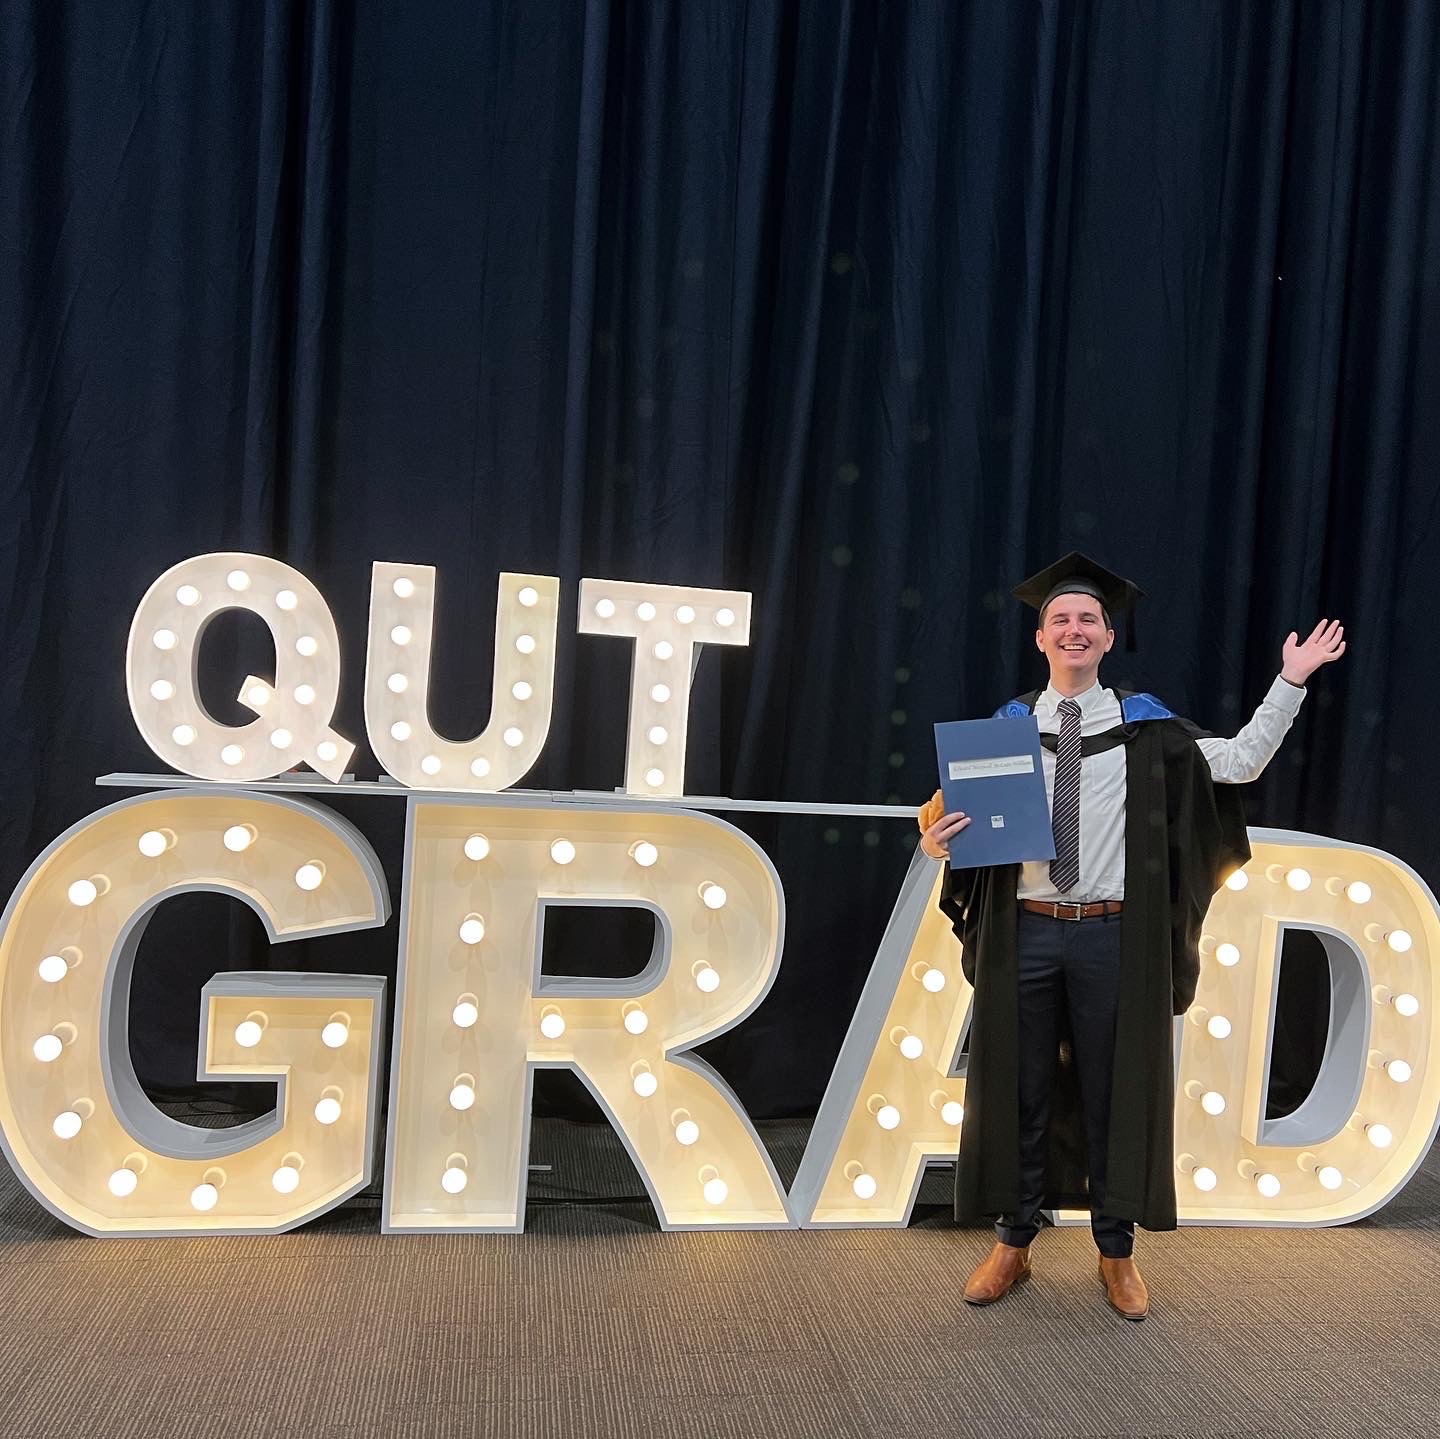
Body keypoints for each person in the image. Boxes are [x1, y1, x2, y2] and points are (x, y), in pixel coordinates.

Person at [916, 552, 1345, 1321]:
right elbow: (947, 819)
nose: (1074, 629)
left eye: (1088, 618)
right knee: (1018, 1090)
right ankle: (1013, 1243)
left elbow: (1240, 763)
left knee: (1117, 1092)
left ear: (1108, 637)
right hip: (1027, 933)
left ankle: (1116, 1252)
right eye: (1060, 619)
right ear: (1040, 638)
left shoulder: (1146, 729)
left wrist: (1291, 679)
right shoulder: (1005, 730)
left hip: (1112, 937)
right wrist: (934, 839)